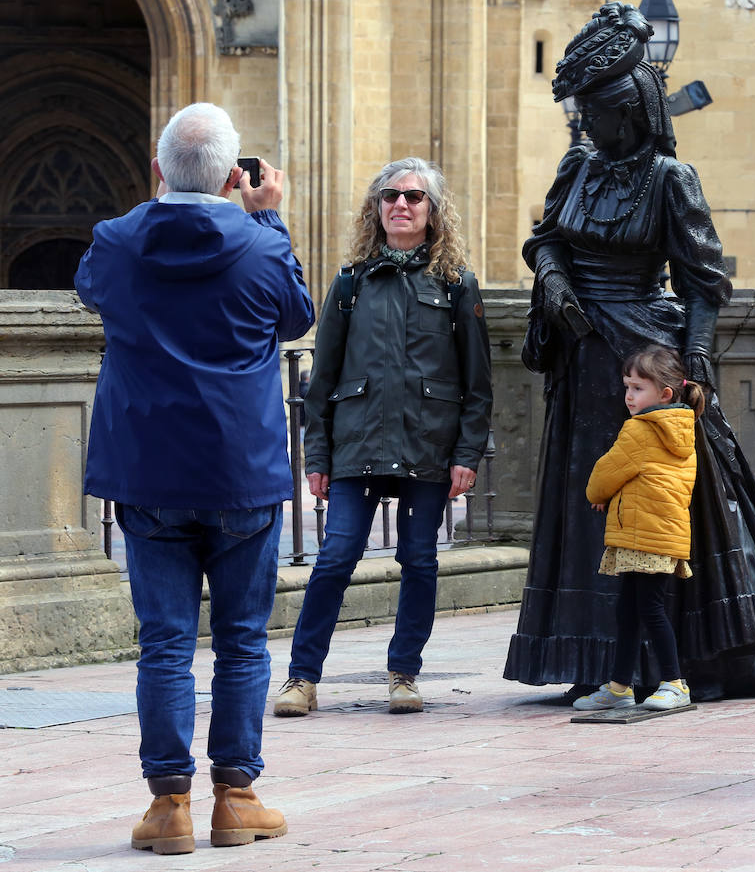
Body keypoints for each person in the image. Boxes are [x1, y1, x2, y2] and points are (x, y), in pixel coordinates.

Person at [505, 2, 755, 698]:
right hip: (583, 359)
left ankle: (675, 657)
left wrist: (694, 370)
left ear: (629, 111)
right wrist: (559, 282)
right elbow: (545, 241)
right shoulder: (580, 166)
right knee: (589, 505)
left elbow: (702, 283)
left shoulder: (670, 180)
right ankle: (597, 658)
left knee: (660, 511)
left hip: (643, 361)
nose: (587, 124)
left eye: (597, 113)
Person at [75, 102, 313, 853]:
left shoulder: (115, 240)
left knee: (165, 643)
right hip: (240, 467)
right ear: (233, 176)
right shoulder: (259, 241)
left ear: (157, 169)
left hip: (148, 471)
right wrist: (269, 218)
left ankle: (170, 804)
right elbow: (297, 317)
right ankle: (236, 797)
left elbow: (90, 290)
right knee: (242, 639)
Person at [274, 157, 493, 716]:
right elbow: (320, 379)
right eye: (390, 195)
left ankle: (404, 674)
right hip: (358, 445)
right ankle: (302, 678)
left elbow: (478, 381)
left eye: (414, 197)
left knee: (419, 560)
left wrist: (467, 454)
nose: (401, 204)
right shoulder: (351, 282)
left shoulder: (455, 284)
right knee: (335, 558)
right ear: (377, 207)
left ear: (432, 211)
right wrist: (317, 454)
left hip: (427, 445)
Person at [574, 346, 703, 712]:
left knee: (648, 608)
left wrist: (601, 493)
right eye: (627, 386)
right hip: (659, 533)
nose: (629, 396)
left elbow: (604, 475)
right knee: (630, 609)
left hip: (644, 534)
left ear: (664, 393)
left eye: (637, 388)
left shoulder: (641, 430)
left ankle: (675, 683)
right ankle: (619, 686)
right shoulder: (682, 428)